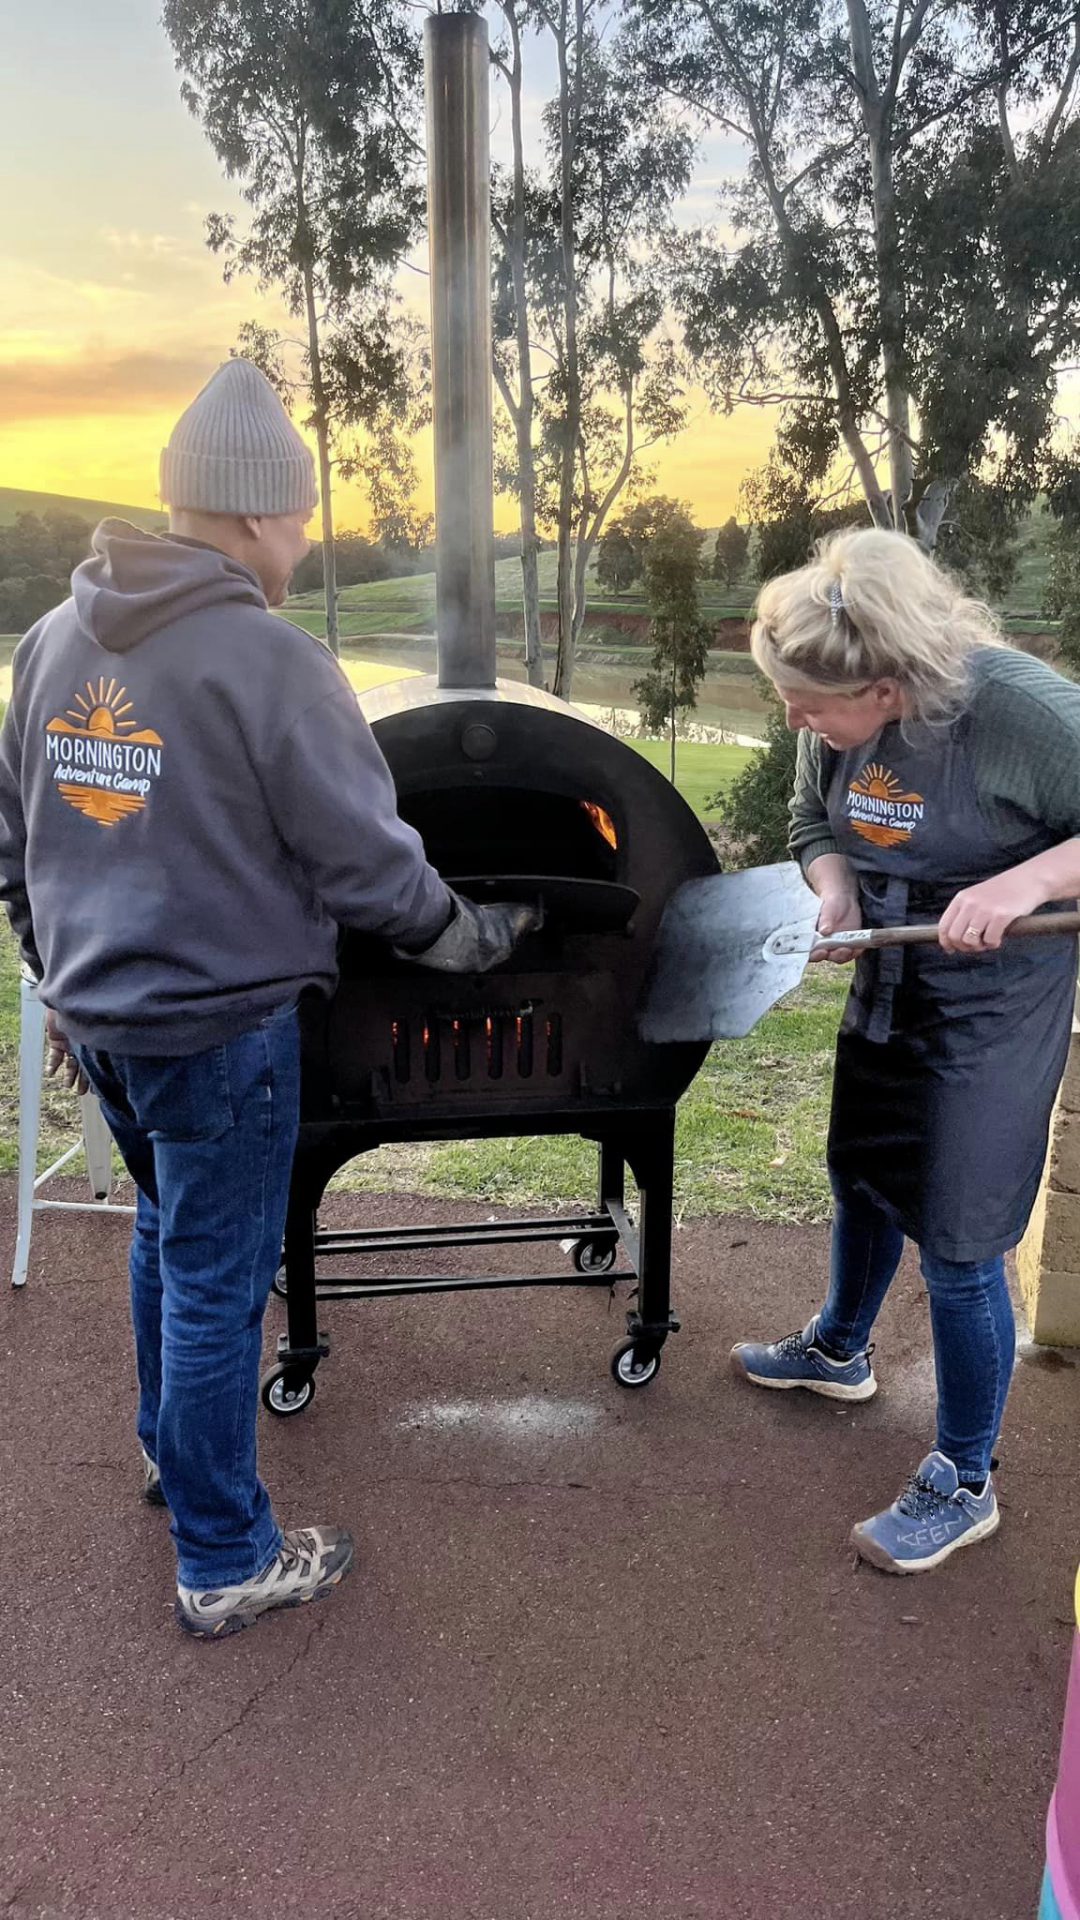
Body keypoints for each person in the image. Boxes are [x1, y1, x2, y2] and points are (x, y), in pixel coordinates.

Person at [0, 359, 537, 1637]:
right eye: (300, 513)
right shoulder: (269, 659)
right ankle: (226, 1554)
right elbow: (364, 859)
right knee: (216, 1280)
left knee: (165, 1242)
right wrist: (464, 939)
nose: (308, 535)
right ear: (250, 513)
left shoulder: (52, 641)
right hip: (223, 1031)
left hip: (108, 1024)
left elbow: (15, 840)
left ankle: (171, 1459)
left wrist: (54, 975)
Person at [730, 527, 1080, 1574]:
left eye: (810, 705)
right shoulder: (825, 703)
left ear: (887, 687)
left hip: (995, 999)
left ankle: (965, 1479)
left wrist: (1025, 884)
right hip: (892, 966)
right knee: (868, 1176)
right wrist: (833, 887)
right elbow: (810, 820)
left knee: (964, 1242)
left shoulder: (1019, 713)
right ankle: (840, 1348)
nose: (794, 718)